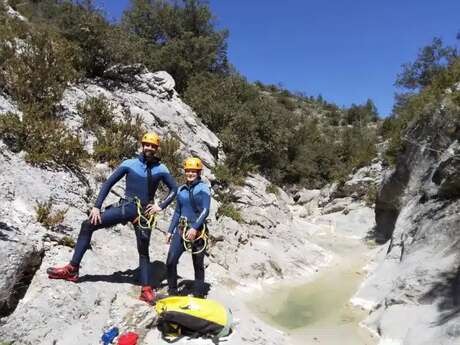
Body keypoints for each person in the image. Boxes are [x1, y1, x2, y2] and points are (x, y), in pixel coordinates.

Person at [47, 133, 177, 304]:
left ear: (157, 148)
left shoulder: (161, 169)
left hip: (144, 215)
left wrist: (160, 206)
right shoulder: (129, 164)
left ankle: (146, 289)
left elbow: (175, 189)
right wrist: (96, 206)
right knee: (88, 225)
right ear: (142, 145)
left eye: (153, 146)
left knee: (143, 251)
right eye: (147, 145)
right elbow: (108, 183)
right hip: (125, 208)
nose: (150, 148)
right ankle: (72, 268)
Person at [166, 157, 211, 298]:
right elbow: (177, 212)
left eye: (193, 171)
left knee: (198, 264)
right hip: (182, 229)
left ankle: (198, 295)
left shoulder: (203, 188)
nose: (190, 174)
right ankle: (172, 291)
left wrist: (195, 227)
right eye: (188, 171)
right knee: (170, 261)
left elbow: (205, 210)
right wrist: (169, 230)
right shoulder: (181, 190)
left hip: (198, 232)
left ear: (198, 172)